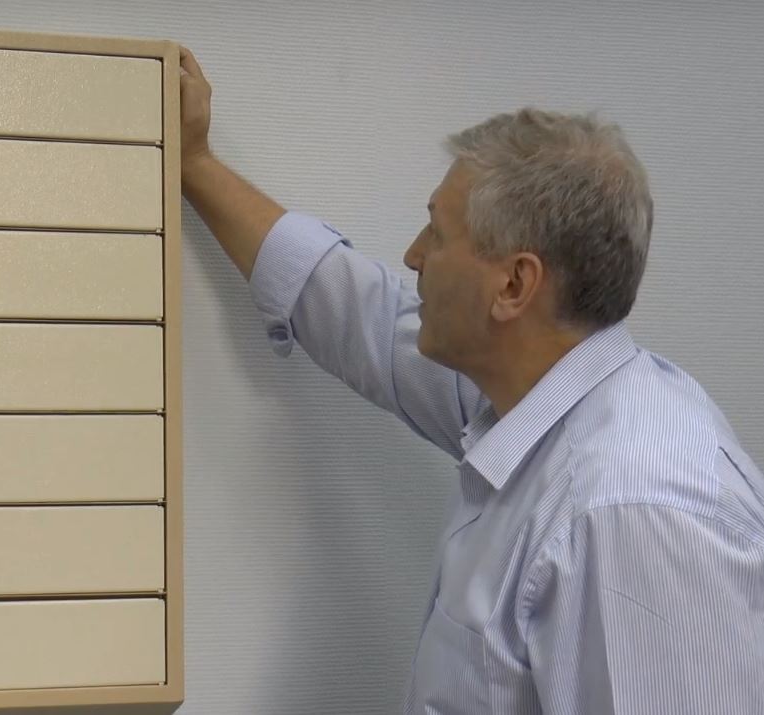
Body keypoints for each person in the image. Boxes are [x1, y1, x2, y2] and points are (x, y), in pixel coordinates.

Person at [178, 47, 764, 715]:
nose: (413, 256)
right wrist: (195, 163)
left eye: (436, 232)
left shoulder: (630, 511)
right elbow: (365, 319)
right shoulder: (528, 396)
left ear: (513, 285)